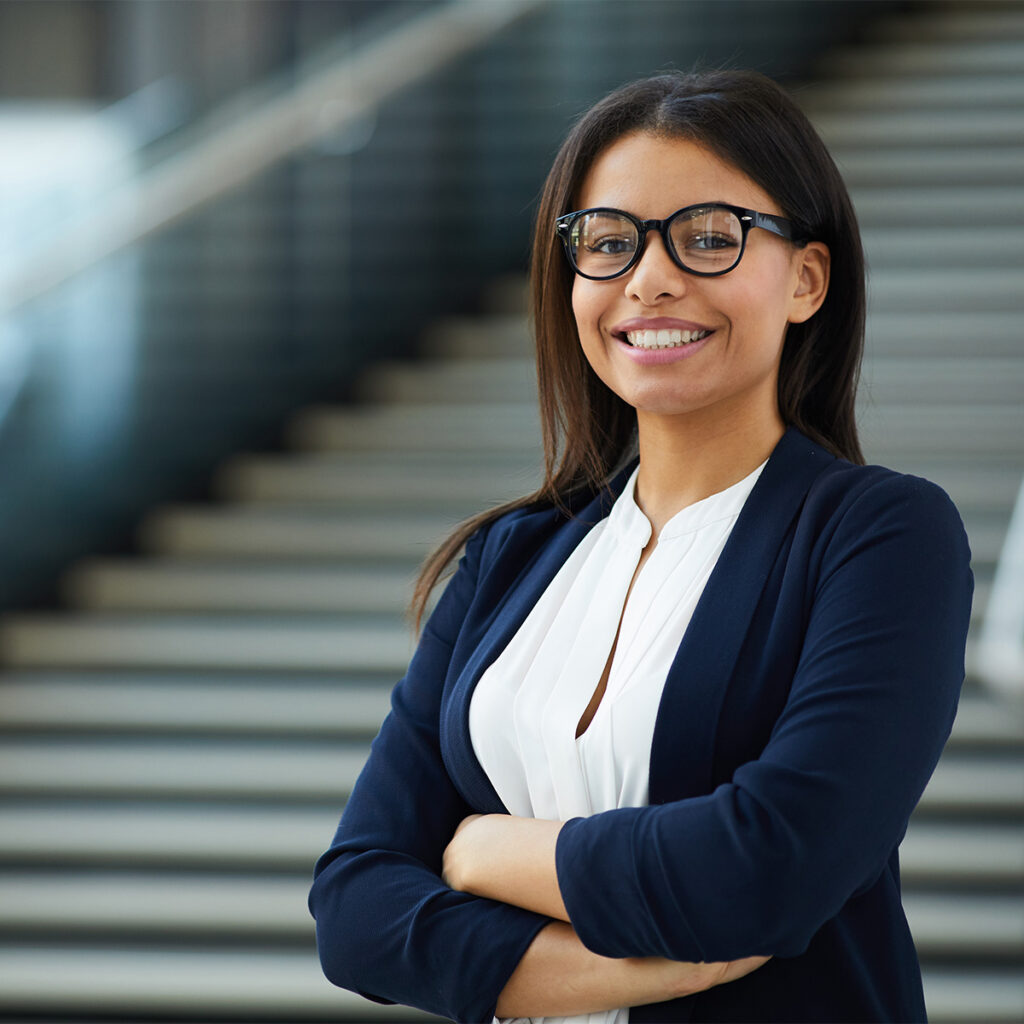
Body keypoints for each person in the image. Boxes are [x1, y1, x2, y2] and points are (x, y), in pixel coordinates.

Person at [308, 69, 973, 1023]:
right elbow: (355, 908)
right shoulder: (511, 557)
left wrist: (488, 853)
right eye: (609, 243)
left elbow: (767, 868)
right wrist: (646, 968)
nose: (649, 278)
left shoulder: (881, 537)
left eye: (708, 237)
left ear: (807, 279)